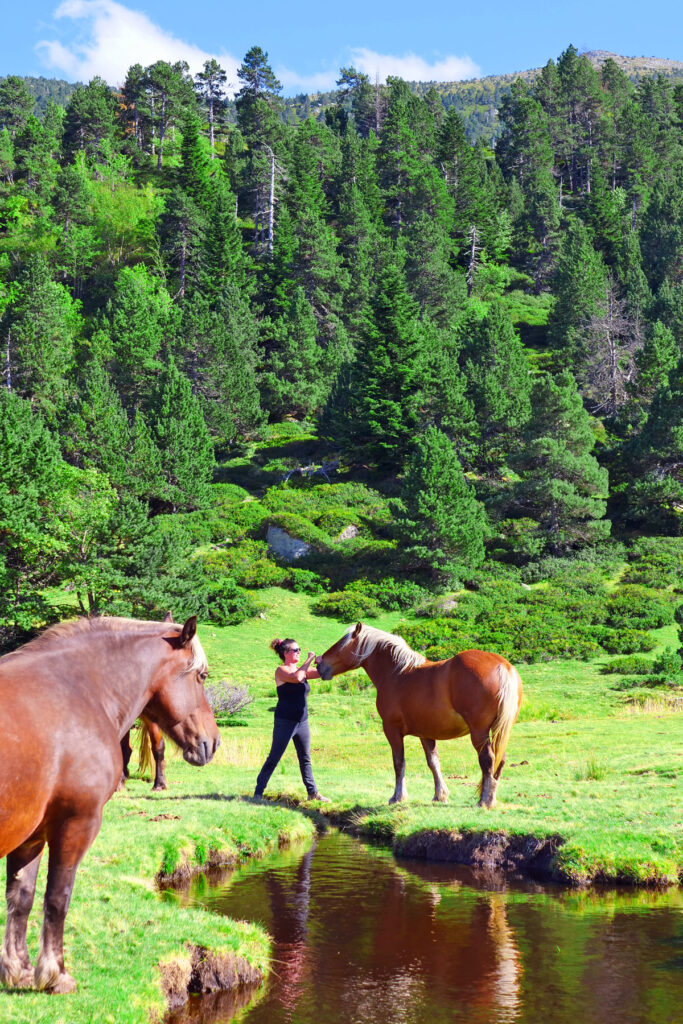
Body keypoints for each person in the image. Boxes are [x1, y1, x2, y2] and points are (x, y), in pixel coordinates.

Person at [254, 638, 329, 801]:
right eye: (296, 650)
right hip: (285, 721)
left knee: (305, 757)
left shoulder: (301, 670)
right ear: (286, 653)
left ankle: (312, 793)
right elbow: (296, 677)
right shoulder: (281, 670)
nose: (299, 652)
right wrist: (309, 659)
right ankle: (258, 793)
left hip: (302, 721)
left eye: (299, 649)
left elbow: (321, 674)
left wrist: (321, 663)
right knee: (274, 757)